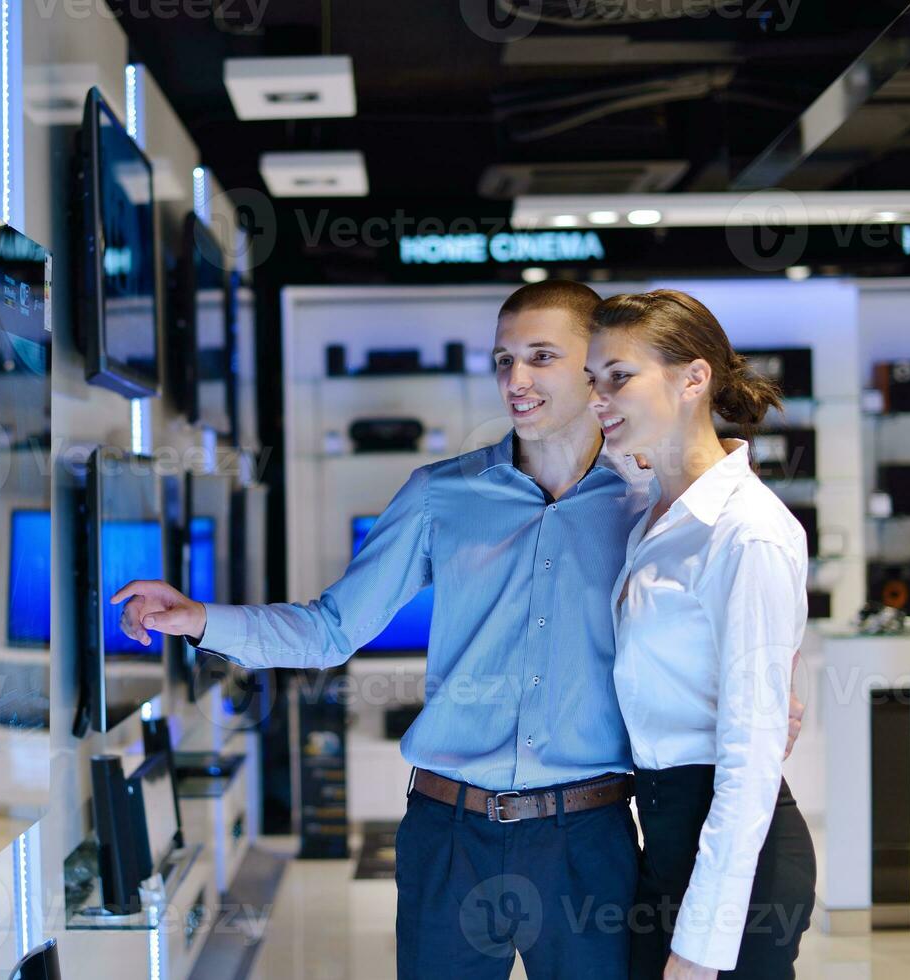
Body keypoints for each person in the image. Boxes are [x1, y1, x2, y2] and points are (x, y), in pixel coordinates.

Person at [111, 281, 803, 979]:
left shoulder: (651, 502)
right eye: (503, 360)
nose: (516, 380)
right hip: (446, 834)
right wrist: (199, 618)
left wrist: (778, 683)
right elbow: (329, 630)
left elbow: (723, 605)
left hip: (589, 840)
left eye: (541, 357)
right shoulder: (440, 494)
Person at [584, 290, 816, 980]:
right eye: (592, 379)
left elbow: (748, 754)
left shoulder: (748, 530)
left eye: (619, 377)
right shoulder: (651, 508)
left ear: (693, 378)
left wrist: (699, 945)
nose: (598, 398)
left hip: (734, 859)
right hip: (661, 834)